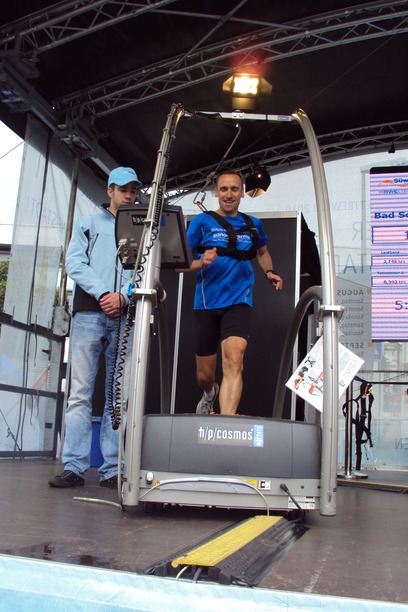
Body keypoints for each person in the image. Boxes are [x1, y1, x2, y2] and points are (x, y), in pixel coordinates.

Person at [48, 167, 142, 488]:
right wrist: (104, 294)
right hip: (89, 313)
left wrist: (123, 296)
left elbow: (143, 271)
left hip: (124, 316)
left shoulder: (140, 230)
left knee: (118, 397)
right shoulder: (87, 223)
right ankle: (74, 466)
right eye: (123, 189)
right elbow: (74, 263)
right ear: (110, 191)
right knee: (79, 394)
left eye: (133, 190)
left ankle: (112, 469)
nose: (129, 195)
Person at [184, 169, 282, 416]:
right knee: (205, 376)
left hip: (239, 301)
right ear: (216, 193)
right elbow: (179, 263)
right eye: (224, 189)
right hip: (207, 304)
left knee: (234, 359)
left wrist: (269, 271)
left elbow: (262, 252)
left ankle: (226, 423)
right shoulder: (201, 223)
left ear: (242, 194)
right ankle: (209, 394)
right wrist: (200, 262)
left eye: (234, 189)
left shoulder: (253, 225)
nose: (229, 194)